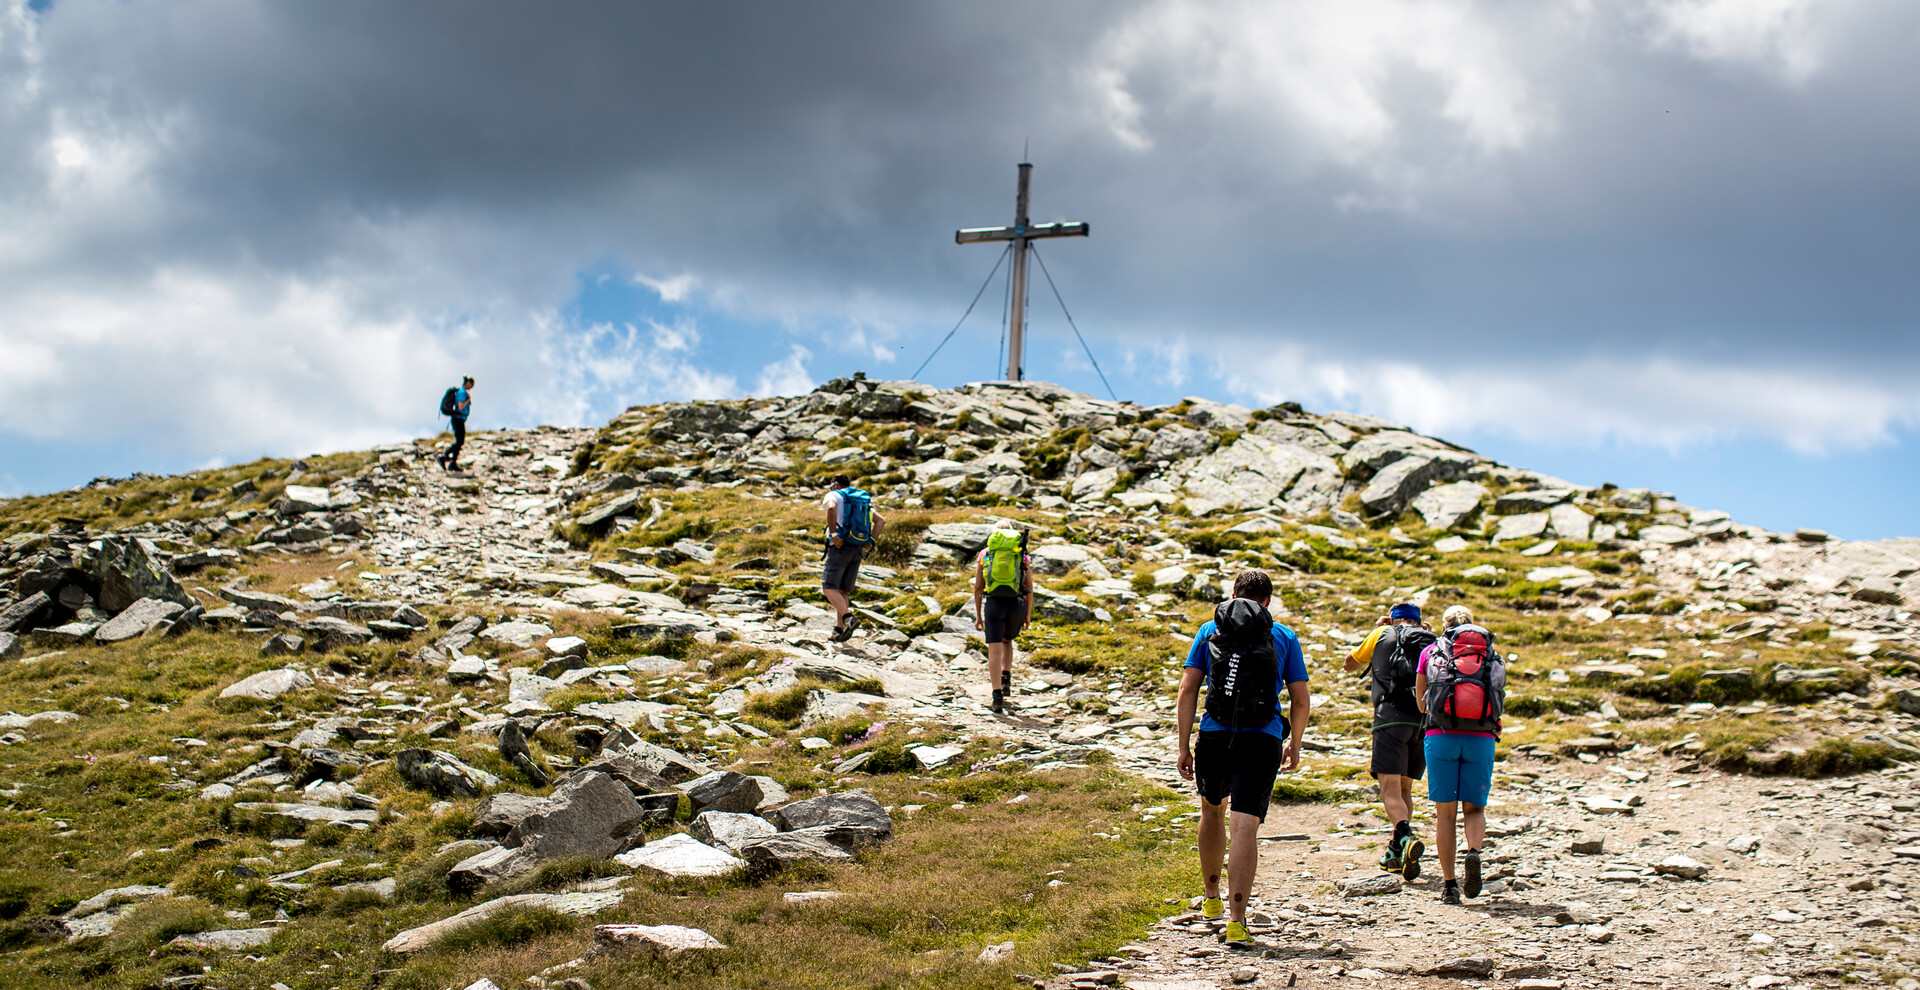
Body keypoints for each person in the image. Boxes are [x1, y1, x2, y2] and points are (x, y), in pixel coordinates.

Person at [1176, 570, 1311, 946]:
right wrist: (1295, 743)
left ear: (1233, 595)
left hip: (1215, 735)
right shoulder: (1282, 635)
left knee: (1211, 812)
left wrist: (1184, 744)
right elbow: (1301, 698)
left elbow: (1188, 688)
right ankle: (1237, 922)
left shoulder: (1208, 630)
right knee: (1245, 827)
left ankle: (1211, 899)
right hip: (1262, 739)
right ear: (1268, 601)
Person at [1415, 604, 1506, 905]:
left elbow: (1421, 706)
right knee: (1475, 809)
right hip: (1481, 737)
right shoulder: (1490, 654)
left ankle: (1450, 885)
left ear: (1444, 626)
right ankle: (1474, 852)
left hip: (1440, 737)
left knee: (1445, 813)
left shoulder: (1431, 652)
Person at [1343, 602, 1436, 880]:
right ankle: (1396, 852)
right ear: (1418, 622)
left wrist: (1376, 633)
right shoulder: (1430, 642)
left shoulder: (1382, 633)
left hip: (1389, 719)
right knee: (1405, 788)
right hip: (1422, 720)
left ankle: (1406, 837)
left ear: (1392, 619)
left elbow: (1349, 665)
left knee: (1389, 790)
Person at [971, 529, 1033, 714]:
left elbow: (977, 587)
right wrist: (1027, 615)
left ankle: (997, 696)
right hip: (1016, 604)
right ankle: (1006, 677)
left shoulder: (985, 554)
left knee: (994, 649)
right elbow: (1028, 587)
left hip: (994, 604)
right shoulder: (1021, 554)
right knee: (1008, 641)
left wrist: (978, 615)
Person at [820, 475, 883, 642]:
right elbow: (881, 521)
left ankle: (849, 618)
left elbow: (831, 509)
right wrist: (870, 541)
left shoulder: (834, 495)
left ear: (835, 484)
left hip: (840, 546)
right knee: (842, 591)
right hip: (857, 548)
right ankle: (839, 630)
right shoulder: (859, 500)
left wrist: (833, 535)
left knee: (829, 588)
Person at [438, 376, 474, 471]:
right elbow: (461, 406)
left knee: (460, 441)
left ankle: (453, 462)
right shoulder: (462, 392)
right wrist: (468, 400)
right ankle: (444, 456)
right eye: (472, 383)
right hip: (458, 418)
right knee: (460, 441)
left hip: (458, 419)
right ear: (467, 382)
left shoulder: (461, 392)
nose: (472, 386)